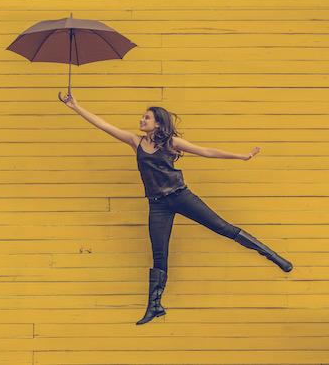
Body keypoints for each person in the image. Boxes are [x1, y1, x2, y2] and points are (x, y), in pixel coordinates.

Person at [59, 92, 293, 325]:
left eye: (146, 118)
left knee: (223, 227)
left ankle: (273, 256)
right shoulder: (135, 141)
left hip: (181, 196)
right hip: (157, 205)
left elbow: (206, 151)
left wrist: (241, 156)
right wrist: (75, 106)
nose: (141, 120)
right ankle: (155, 306)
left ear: (158, 123)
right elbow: (104, 126)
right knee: (159, 254)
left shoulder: (171, 143)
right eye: (143, 117)